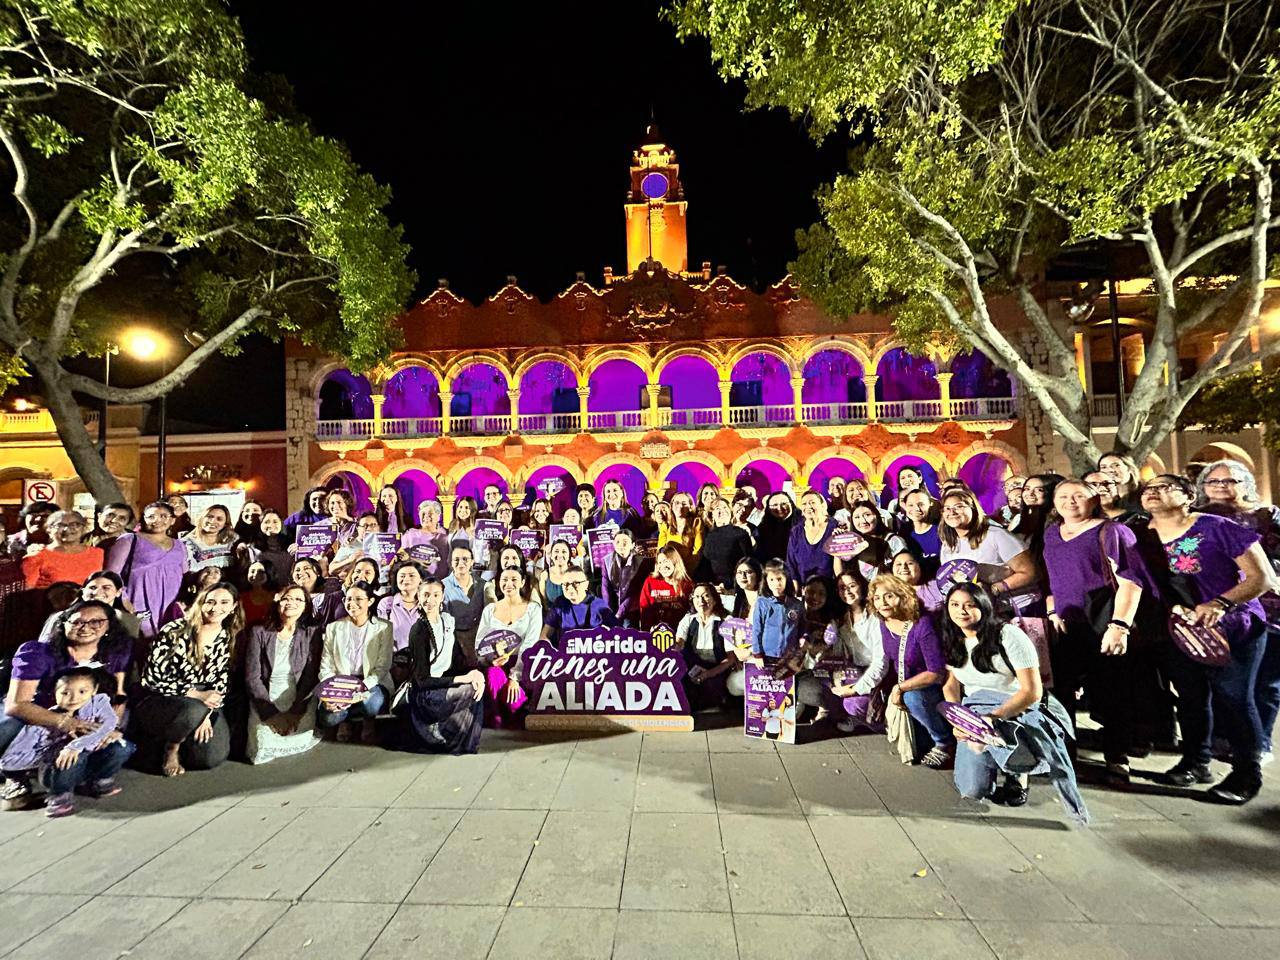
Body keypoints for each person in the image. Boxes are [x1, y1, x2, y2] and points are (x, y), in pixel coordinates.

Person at [1142, 473, 1275, 804]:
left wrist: (1220, 603)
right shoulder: (1139, 535)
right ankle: (1195, 762)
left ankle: (1247, 774)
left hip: (1233, 627)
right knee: (1190, 697)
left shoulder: (1217, 527)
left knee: (1234, 697)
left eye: (1163, 487)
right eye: (1148, 489)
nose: (1153, 493)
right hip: (1181, 630)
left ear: (1188, 495)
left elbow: (1263, 578)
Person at [941, 583, 1086, 821]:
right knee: (972, 789)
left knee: (1011, 749)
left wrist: (995, 717)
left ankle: (1017, 773)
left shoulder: (1008, 635)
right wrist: (958, 720)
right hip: (975, 711)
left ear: (984, 607)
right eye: (954, 605)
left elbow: (1032, 692)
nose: (961, 611)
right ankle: (991, 759)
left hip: (1015, 707)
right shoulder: (953, 638)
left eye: (970, 605)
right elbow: (950, 685)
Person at [1042, 480, 1146, 781]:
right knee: (1062, 692)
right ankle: (1065, 754)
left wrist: (1119, 625)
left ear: (1094, 499)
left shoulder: (1111, 531)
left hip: (1103, 618)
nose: (1069, 501)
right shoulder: (1052, 533)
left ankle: (1117, 755)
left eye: (1078, 496)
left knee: (1112, 690)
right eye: (1062, 496)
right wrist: (1052, 609)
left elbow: (1130, 581)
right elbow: (1053, 578)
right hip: (1067, 621)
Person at [1, 599, 133, 811]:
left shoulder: (114, 653)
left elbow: (118, 696)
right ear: (63, 625)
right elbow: (17, 704)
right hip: (39, 712)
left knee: (117, 741)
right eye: (77, 622)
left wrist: (112, 728)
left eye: (96, 622)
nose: (86, 628)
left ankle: (82, 777)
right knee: (8, 724)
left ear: (109, 626)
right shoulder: (37, 652)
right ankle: (14, 776)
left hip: (91, 713)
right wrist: (67, 722)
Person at [1195, 459, 1280, 764]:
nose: (1221, 487)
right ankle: (1223, 738)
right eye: (1213, 481)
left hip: (1268, 608)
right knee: (1225, 682)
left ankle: (1259, 744)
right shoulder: (1198, 519)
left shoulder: (1266, 516)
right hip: (1216, 612)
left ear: (1246, 484)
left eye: (1230, 481)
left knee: (1265, 682)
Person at [133, 584, 242, 776]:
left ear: (233, 607)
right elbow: (151, 679)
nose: (216, 608)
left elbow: (221, 682)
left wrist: (207, 714)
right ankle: (171, 748)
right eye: (210, 602)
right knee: (193, 710)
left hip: (204, 701)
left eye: (224, 602)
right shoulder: (175, 630)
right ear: (201, 603)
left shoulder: (225, 636)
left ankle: (182, 737)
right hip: (164, 697)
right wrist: (197, 696)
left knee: (211, 758)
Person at [0, 666, 133, 818]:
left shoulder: (97, 706)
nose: (73, 698)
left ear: (94, 691)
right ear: (55, 693)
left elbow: (109, 724)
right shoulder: (48, 719)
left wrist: (91, 740)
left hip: (85, 761)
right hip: (55, 769)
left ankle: (100, 781)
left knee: (122, 746)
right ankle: (59, 795)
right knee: (69, 755)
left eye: (82, 692)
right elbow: (13, 758)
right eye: (65, 693)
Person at [868, 573, 954, 768]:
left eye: (889, 596)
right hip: (905, 682)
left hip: (929, 686)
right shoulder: (885, 623)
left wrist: (900, 688)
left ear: (903, 595)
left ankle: (945, 742)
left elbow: (936, 672)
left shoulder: (922, 623)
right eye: (877, 598)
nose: (883, 602)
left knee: (913, 698)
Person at [396, 578, 485, 754]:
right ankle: (434, 728)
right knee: (468, 690)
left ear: (442, 596)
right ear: (418, 597)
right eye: (426, 595)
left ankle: (460, 739)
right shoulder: (419, 630)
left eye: (435, 595)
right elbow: (422, 680)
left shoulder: (447, 621)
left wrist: (475, 674)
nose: (430, 600)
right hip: (425, 693)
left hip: (443, 684)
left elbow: (457, 660)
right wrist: (463, 679)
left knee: (477, 685)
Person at [244, 585, 322, 765]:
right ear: (278, 601)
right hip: (266, 694)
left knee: (297, 735)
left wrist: (296, 711)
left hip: (298, 693)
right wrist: (270, 713)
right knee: (262, 746)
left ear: (306, 607)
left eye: (298, 599)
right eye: (287, 598)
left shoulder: (311, 633)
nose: (291, 603)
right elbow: (252, 677)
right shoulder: (259, 631)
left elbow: (310, 675)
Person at [316, 582, 393, 744]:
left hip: (371, 682)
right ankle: (345, 721)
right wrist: (332, 691)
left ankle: (368, 721)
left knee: (370, 703)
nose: (352, 604)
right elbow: (326, 664)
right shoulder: (334, 628)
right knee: (328, 717)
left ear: (370, 601)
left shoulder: (383, 627)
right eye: (349, 599)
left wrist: (360, 689)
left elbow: (382, 666)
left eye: (359, 599)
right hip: (340, 683)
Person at [937, 489, 1038, 612]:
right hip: (984, 612)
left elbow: (1031, 572)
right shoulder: (948, 546)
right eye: (946, 508)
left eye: (958, 507)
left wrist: (995, 589)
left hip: (1020, 608)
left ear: (973, 509)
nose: (951, 512)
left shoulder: (995, 535)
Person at [106, 500, 189, 637]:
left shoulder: (180, 544)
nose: (157, 520)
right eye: (151, 516)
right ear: (143, 519)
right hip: (139, 600)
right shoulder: (130, 539)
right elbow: (111, 574)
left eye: (163, 516)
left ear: (172, 520)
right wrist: (125, 599)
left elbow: (185, 574)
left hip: (172, 603)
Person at [477, 566, 543, 725]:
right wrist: (492, 657)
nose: (509, 584)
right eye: (504, 580)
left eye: (514, 579)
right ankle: (495, 716)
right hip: (498, 665)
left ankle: (515, 712)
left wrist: (515, 677)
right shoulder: (489, 610)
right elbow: (480, 643)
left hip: (524, 665)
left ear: (523, 582)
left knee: (515, 703)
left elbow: (530, 644)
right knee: (493, 675)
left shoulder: (533, 608)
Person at [825, 571, 888, 733]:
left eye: (852, 586)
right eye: (842, 588)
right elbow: (839, 657)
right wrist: (837, 680)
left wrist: (854, 689)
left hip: (881, 675)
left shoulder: (876, 616)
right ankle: (863, 718)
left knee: (853, 703)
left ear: (862, 586)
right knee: (828, 687)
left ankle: (879, 721)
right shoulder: (842, 620)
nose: (847, 591)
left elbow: (881, 663)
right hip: (857, 670)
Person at [676, 583, 735, 710]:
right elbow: (678, 643)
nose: (700, 601)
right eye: (696, 596)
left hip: (717, 667)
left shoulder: (726, 620)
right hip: (693, 666)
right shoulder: (688, 619)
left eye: (706, 596)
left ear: (714, 599)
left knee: (712, 687)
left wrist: (708, 674)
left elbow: (730, 659)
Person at [21, 510, 104, 590]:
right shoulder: (35, 557)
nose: (66, 529)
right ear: (49, 529)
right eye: (60, 525)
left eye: (75, 524)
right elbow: (28, 594)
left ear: (84, 528)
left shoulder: (98, 554)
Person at [542, 568, 615, 643]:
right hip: (566, 651)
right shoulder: (560, 603)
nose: (570, 588)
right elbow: (545, 634)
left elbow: (618, 634)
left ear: (586, 585)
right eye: (566, 584)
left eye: (576, 583)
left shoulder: (599, 605)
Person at [749, 559, 803, 658]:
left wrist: (804, 638)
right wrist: (757, 654)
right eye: (772, 580)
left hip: (789, 655)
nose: (776, 584)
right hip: (767, 655)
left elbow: (802, 627)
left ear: (786, 579)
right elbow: (757, 629)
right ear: (766, 581)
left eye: (779, 579)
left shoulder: (797, 604)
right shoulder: (762, 602)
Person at [442, 544, 485, 665]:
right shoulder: (442, 586)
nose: (461, 563)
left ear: (472, 562)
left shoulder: (482, 585)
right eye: (456, 559)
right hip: (454, 638)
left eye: (465, 559)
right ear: (451, 562)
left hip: (477, 636)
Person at [787, 490, 840, 588]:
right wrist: (796, 592)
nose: (808, 506)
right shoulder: (796, 531)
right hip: (806, 590)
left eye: (812, 502)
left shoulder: (835, 527)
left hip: (831, 589)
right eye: (804, 504)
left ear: (822, 505)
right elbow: (791, 564)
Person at [698, 498, 753, 590]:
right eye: (717, 509)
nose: (721, 511)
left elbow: (746, 561)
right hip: (713, 587)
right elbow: (705, 563)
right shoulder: (708, 536)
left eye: (725, 508)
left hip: (734, 586)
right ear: (712, 515)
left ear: (730, 512)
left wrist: (729, 584)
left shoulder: (740, 533)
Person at [600, 526, 650, 628]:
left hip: (631, 607)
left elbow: (635, 590)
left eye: (625, 542)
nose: (621, 545)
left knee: (629, 632)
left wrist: (620, 613)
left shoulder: (641, 562)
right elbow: (605, 588)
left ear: (632, 545)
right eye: (617, 542)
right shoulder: (607, 560)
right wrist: (608, 611)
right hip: (614, 605)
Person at [847, 500, 908, 582]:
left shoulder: (893, 541)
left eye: (867, 515)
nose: (863, 521)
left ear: (877, 516)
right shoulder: (853, 543)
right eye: (857, 517)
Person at [639, 545, 694, 629]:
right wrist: (646, 633)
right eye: (659, 562)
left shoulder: (686, 584)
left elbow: (691, 613)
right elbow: (644, 609)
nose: (663, 566)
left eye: (666, 561)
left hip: (679, 634)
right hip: (654, 633)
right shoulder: (650, 581)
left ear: (675, 562)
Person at [376, 560, 425, 651]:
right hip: (395, 660)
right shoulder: (387, 603)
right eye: (402, 576)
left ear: (421, 580)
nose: (406, 579)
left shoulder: (427, 604)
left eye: (411, 575)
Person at [181, 504, 239, 574]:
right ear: (202, 518)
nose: (212, 521)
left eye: (219, 519)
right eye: (209, 516)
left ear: (225, 524)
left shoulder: (233, 540)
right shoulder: (185, 544)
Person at [400, 499, 450, 579]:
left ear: (438, 516)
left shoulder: (447, 534)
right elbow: (401, 554)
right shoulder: (410, 534)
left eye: (430, 513)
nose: (426, 516)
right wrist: (411, 559)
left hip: (441, 582)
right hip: (416, 581)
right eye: (423, 513)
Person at [291, 557, 345, 628]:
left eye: (306, 568)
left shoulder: (333, 590)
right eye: (297, 570)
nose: (301, 572)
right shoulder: (290, 598)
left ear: (318, 573)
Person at [899, 489, 942, 576]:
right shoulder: (903, 535)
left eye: (921, 504)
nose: (916, 509)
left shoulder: (941, 532)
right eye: (910, 505)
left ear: (930, 504)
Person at [659, 492, 704, 571]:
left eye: (684, 504)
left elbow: (697, 551)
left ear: (690, 507)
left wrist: (685, 570)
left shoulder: (696, 522)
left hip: (689, 568)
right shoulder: (666, 525)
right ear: (672, 505)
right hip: (669, 568)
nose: (680, 506)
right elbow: (660, 549)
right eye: (677, 503)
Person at [538, 539, 576, 605]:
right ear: (551, 555)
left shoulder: (576, 574)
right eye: (556, 551)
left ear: (569, 555)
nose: (560, 555)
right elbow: (544, 602)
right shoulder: (545, 575)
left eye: (564, 552)